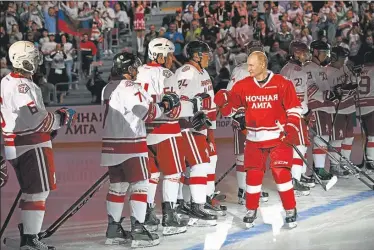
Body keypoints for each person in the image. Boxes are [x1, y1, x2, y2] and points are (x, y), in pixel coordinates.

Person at [0, 41, 76, 249]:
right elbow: (37, 121)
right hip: (31, 144)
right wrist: (61, 117)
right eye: (33, 59)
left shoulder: (7, 81)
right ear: (23, 61)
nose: (37, 63)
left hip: (17, 144)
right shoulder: (22, 86)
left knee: (31, 191)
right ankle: (30, 239)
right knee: (39, 192)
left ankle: (28, 231)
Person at [101, 52, 181, 247]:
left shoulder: (107, 87)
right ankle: (138, 229)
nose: (136, 70)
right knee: (140, 186)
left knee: (117, 188)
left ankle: (114, 229)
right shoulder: (129, 87)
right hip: (131, 144)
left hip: (110, 145)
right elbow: (148, 113)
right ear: (128, 69)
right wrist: (165, 103)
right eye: (134, 67)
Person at [214, 51, 300, 228]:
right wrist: (223, 103)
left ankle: (290, 209)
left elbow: (294, 109)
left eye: (252, 65)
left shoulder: (282, 83)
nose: (249, 68)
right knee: (253, 175)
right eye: (248, 64)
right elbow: (231, 110)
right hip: (254, 138)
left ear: (263, 64)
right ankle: (251, 209)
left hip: (278, 138)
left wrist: (291, 129)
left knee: (281, 173)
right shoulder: (243, 85)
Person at [136, 38, 207, 235]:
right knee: (173, 174)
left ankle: (148, 215)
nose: (171, 59)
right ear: (159, 55)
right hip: (166, 130)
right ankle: (169, 216)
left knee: (151, 175)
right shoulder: (166, 74)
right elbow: (173, 109)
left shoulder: (139, 72)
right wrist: (195, 105)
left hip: (144, 132)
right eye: (168, 55)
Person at [174, 40, 221, 225]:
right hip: (189, 127)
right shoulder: (186, 72)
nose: (209, 57)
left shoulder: (202, 72)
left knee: (194, 167)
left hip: (201, 127)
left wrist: (209, 131)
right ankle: (197, 205)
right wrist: (191, 116)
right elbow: (180, 98)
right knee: (199, 165)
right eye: (206, 54)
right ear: (196, 55)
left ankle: (187, 204)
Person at [226, 40, 269, 205]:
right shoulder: (240, 71)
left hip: (260, 121)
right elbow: (229, 95)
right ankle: (243, 191)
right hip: (243, 119)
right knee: (243, 157)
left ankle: (253, 188)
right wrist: (237, 116)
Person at [280, 40, 313, 195]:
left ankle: (296, 176)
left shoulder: (286, 69)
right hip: (295, 114)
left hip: (289, 113)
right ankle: (294, 179)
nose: (306, 55)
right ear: (295, 53)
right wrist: (305, 111)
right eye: (303, 52)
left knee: (298, 146)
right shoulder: (296, 70)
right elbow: (297, 97)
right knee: (299, 146)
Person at [303, 40, 336, 181]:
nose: (326, 56)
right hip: (318, 106)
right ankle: (319, 169)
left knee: (324, 137)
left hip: (325, 107)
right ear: (315, 52)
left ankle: (319, 168)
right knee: (320, 137)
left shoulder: (320, 68)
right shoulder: (309, 67)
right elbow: (309, 88)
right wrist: (327, 94)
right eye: (324, 53)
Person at [326, 46, 357, 177]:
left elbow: (354, 83)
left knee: (349, 137)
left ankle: (345, 162)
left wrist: (355, 76)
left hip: (351, 107)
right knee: (337, 138)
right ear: (334, 57)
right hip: (337, 109)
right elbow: (326, 91)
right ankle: (334, 165)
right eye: (341, 57)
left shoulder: (345, 68)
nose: (344, 60)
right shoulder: (326, 71)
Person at [356, 51, 374, 172]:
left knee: (357, 136)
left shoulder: (357, 70)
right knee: (372, 136)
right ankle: (371, 161)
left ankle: (358, 160)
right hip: (371, 106)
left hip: (356, 107)